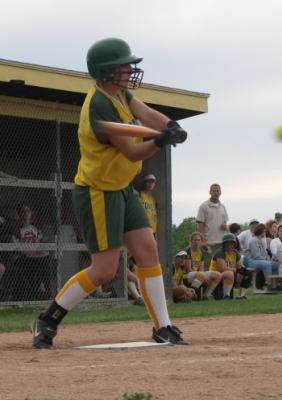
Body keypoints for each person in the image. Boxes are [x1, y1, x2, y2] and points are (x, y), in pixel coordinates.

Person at [31, 37, 188, 349]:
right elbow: (131, 151)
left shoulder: (119, 93)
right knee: (105, 270)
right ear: (105, 71)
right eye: (123, 66)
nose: (130, 70)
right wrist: (160, 141)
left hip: (122, 188)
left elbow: (145, 112)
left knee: (147, 250)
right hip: (98, 191)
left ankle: (163, 327)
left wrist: (170, 124)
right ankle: (47, 319)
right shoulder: (99, 105)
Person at [12, 205, 50, 301]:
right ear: (19, 214)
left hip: (34, 255)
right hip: (21, 256)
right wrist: (28, 252)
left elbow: (38, 243)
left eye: (28, 211)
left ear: (31, 213)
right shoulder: (16, 228)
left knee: (46, 256)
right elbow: (17, 247)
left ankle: (43, 286)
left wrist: (39, 252)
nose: (26, 214)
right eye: (23, 212)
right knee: (34, 261)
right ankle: (38, 288)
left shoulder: (35, 228)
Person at [184, 232, 222, 300]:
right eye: (195, 240)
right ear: (191, 241)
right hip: (186, 275)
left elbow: (202, 269)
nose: (197, 242)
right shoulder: (187, 251)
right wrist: (202, 275)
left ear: (201, 242)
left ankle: (206, 295)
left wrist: (203, 275)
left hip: (198, 274)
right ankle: (191, 295)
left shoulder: (201, 252)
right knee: (201, 275)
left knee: (218, 275)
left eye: (199, 240)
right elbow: (188, 270)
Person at [196, 183, 228, 257]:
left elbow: (225, 222)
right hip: (209, 243)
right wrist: (203, 241)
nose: (216, 193)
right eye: (214, 191)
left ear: (220, 192)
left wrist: (224, 226)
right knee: (209, 266)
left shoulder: (222, 206)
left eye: (217, 191)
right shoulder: (204, 206)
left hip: (221, 242)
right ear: (210, 192)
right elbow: (200, 225)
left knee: (219, 266)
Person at [245, 223, 279, 288]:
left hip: (260, 261)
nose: (265, 232)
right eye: (264, 231)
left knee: (276, 264)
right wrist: (266, 261)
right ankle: (268, 283)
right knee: (267, 264)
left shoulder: (261, 241)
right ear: (261, 231)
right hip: (252, 261)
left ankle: (274, 286)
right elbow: (256, 256)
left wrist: (268, 260)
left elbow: (265, 255)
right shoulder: (253, 240)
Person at [208, 234, 239, 299]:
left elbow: (240, 266)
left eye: (231, 243)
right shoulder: (220, 252)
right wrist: (236, 270)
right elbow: (222, 269)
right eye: (227, 243)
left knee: (245, 273)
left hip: (225, 274)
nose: (230, 245)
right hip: (215, 275)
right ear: (224, 244)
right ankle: (226, 295)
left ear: (234, 244)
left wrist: (242, 271)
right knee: (229, 273)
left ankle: (241, 295)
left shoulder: (235, 253)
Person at [139, 174, 158, 238]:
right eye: (148, 182)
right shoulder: (140, 195)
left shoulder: (153, 199)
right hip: (143, 228)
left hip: (153, 230)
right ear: (144, 183)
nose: (150, 184)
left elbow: (154, 216)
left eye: (152, 182)